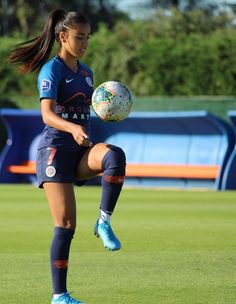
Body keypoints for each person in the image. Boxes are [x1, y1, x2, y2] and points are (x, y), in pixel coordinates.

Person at [9, 8, 126, 304]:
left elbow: (86, 114)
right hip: (55, 154)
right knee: (66, 226)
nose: (85, 43)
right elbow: (47, 115)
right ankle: (59, 295)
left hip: (80, 150)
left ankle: (103, 222)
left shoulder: (87, 74)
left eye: (87, 37)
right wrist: (73, 128)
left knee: (115, 156)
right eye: (79, 37)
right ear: (63, 37)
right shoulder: (52, 70)